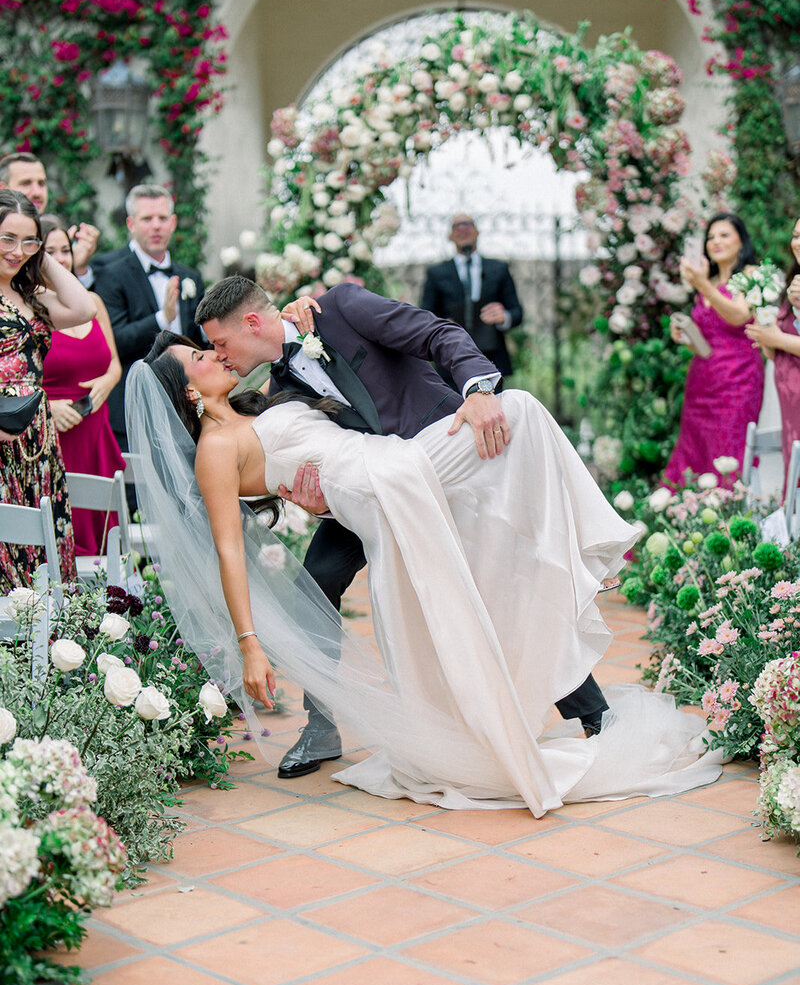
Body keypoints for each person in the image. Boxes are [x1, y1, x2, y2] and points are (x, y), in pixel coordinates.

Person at [126, 335, 721, 817]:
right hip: (384, 488)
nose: (213, 355)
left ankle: (576, 562)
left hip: (391, 468)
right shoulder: (214, 449)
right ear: (189, 394)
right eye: (199, 358)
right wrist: (251, 644)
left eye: (209, 346)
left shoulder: (256, 402)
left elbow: (309, 431)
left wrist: (298, 327)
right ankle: (590, 556)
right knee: (517, 418)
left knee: (514, 428)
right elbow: (230, 550)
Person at [194, 276, 611, 779]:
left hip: (443, 457)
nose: (220, 357)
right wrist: (316, 502)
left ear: (253, 322)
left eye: (220, 343)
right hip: (369, 490)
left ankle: (592, 711)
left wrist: (477, 390)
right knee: (314, 583)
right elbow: (315, 454)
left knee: (492, 583)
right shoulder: (278, 389)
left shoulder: (340, 308)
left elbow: (437, 333)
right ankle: (320, 726)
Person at [0, 189, 95, 588]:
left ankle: (47, 642)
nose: (16, 250)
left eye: (28, 240)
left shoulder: (31, 296)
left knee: (42, 539)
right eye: (7, 238)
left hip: (38, 437)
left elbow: (83, 307)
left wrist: (40, 259)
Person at [92, 183, 204, 454]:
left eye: (163, 218)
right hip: (133, 407)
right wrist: (161, 318)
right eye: (147, 219)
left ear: (173, 222)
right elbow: (114, 341)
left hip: (185, 407)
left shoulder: (191, 276)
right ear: (130, 223)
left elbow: (199, 340)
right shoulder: (111, 274)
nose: (156, 226)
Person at [40, 217, 125, 556]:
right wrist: (46, 407)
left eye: (65, 249)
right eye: (50, 251)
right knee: (61, 544)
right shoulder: (29, 311)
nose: (61, 258)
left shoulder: (92, 302)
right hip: (55, 438)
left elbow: (115, 362)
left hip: (96, 435)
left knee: (108, 543)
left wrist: (108, 379)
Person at [664, 212, 764, 487]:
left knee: (729, 443)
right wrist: (684, 334)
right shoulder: (706, 284)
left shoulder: (749, 275)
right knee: (696, 446)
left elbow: (739, 316)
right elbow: (707, 335)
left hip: (738, 379)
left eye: (724, 235)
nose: (715, 241)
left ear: (741, 242)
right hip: (702, 378)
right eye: (710, 237)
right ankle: (691, 513)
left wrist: (702, 285)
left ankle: (729, 512)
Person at [421, 213, 523, 382]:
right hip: (451, 361)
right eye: (457, 226)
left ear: (477, 232)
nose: (462, 229)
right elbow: (426, 314)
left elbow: (517, 312)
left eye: (467, 224)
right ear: (450, 235)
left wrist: (504, 317)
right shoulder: (436, 273)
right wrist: (443, 325)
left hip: (491, 359)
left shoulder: (499, 269)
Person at [745, 216, 800, 492]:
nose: (798, 243)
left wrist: (778, 338)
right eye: (796, 235)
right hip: (790, 399)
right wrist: (763, 328)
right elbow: (775, 354)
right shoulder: (793, 284)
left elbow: (784, 340)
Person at [0, 152, 100, 284]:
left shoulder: (55, 228)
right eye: (26, 183)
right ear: (2, 188)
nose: (37, 192)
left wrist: (79, 268)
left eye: (41, 183)